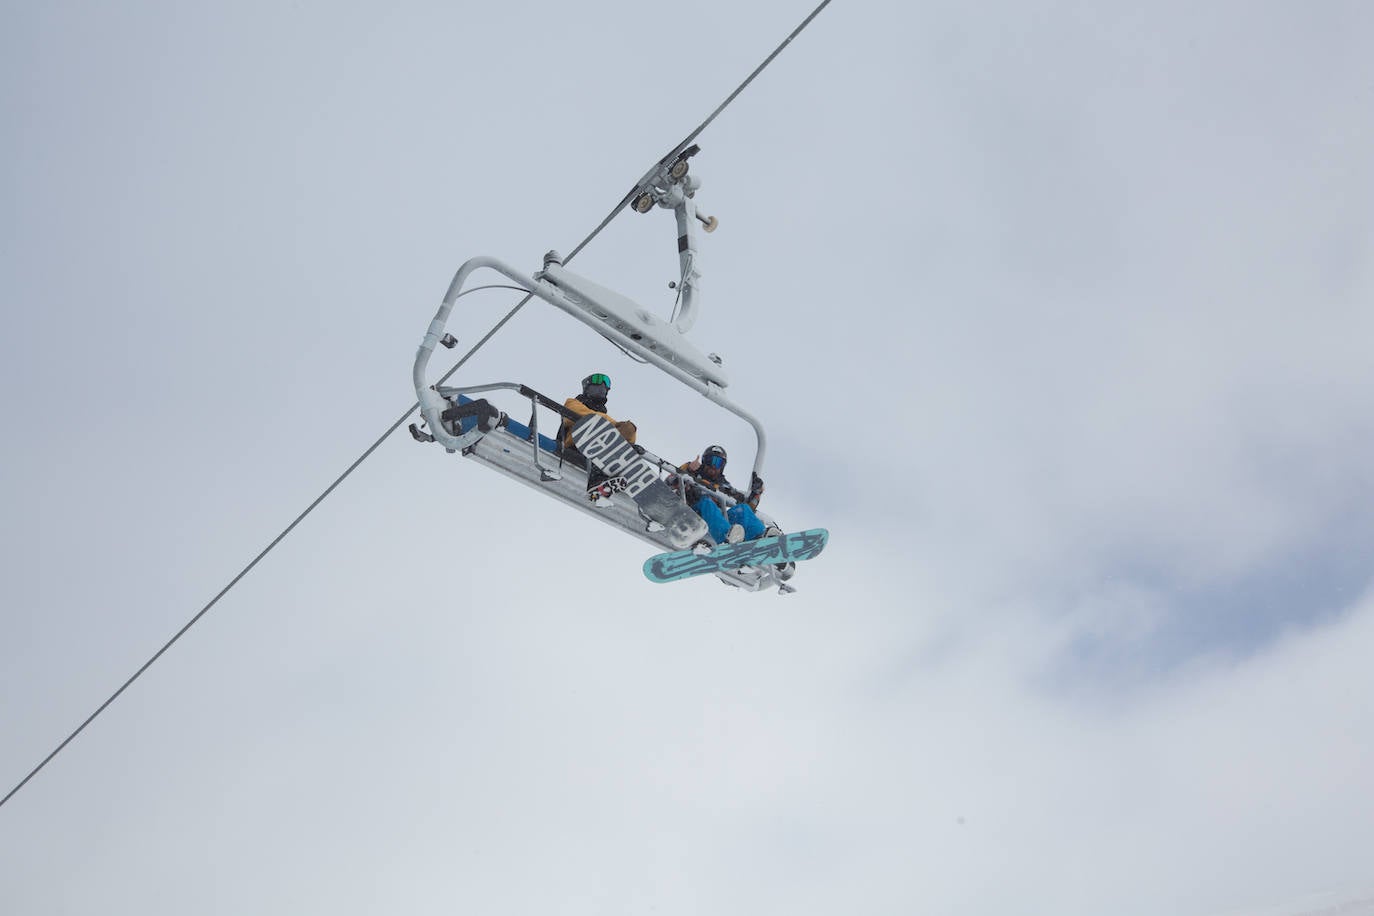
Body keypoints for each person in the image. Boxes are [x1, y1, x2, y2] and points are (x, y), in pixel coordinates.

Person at [560, 373, 638, 507]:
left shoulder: (604, 417)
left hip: (601, 447)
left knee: (629, 428)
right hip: (578, 444)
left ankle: (605, 485)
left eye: (605, 385)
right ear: (587, 387)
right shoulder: (572, 402)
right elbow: (585, 417)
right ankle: (597, 479)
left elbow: (630, 435)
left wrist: (620, 428)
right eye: (597, 382)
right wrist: (613, 425)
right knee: (600, 428)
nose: (602, 387)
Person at [676, 445, 780, 544]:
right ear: (703, 461)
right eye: (710, 461)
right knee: (707, 502)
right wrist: (688, 469)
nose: (713, 465)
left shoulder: (724, 486)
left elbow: (748, 506)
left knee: (742, 509)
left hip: (714, 521)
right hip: (690, 515)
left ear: (722, 466)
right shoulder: (693, 473)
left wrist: (756, 493)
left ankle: (760, 539)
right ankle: (726, 538)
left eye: (718, 462)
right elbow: (670, 481)